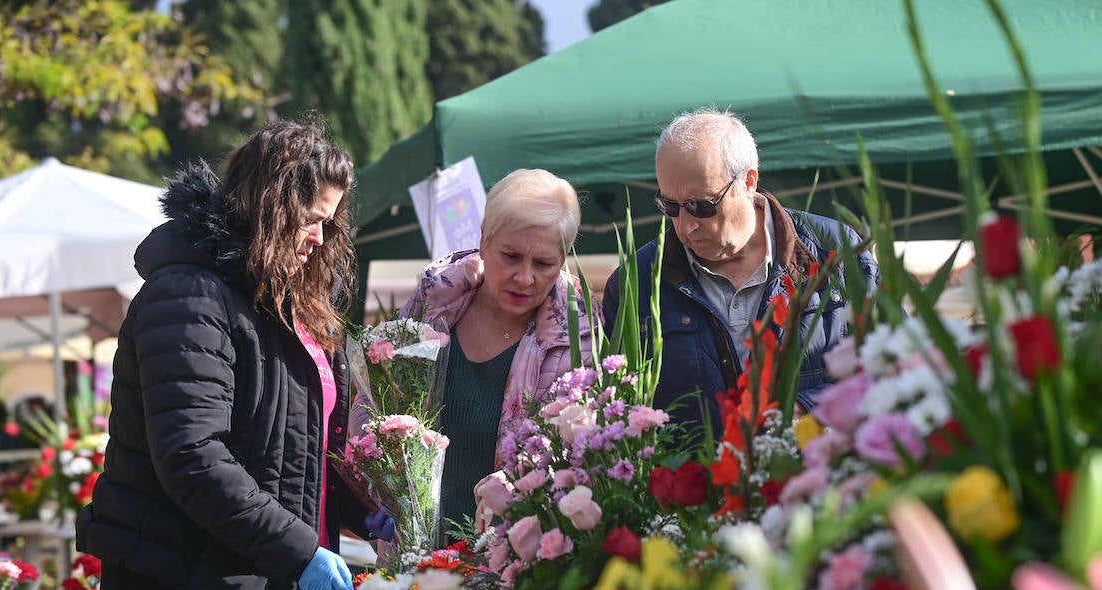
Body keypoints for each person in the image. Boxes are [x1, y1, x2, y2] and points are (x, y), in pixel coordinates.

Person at [77, 119, 364, 590]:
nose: (317, 238)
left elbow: (302, 446)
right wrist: (300, 552)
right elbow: (192, 455)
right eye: (311, 219)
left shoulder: (283, 300)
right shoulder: (189, 295)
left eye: (328, 224)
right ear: (272, 204)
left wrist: (367, 502)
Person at [600, 108, 879, 430]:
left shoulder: (837, 252)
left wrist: (801, 414)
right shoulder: (637, 283)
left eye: (701, 205)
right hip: (697, 478)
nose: (686, 227)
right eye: (671, 207)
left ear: (749, 181)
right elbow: (621, 411)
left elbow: (894, 367)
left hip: (822, 473)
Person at [370, 167, 590, 536]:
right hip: (411, 556)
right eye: (511, 255)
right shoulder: (434, 303)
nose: (525, 277)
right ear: (484, 240)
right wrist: (376, 486)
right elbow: (374, 404)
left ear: (564, 259)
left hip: (508, 572)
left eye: (543, 263)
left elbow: (572, 466)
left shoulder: (575, 340)